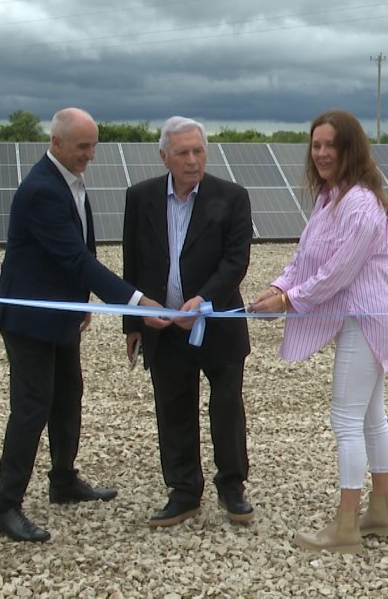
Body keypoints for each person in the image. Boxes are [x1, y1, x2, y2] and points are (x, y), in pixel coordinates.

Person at [0, 107, 169, 543]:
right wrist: (138, 302)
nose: (91, 155)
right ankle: (4, 504)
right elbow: (76, 258)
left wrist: (80, 302)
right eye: (83, 147)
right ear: (57, 143)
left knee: (68, 397)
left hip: (60, 315)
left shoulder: (69, 179)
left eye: (94, 145)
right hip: (29, 320)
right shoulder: (43, 190)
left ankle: (63, 480)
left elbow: (74, 252)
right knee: (33, 406)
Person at [249, 109, 388, 554]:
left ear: (348, 148)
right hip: (361, 318)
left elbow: (337, 273)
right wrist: (278, 286)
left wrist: (287, 302)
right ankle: (382, 512)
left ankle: (346, 526)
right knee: (372, 417)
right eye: (315, 145)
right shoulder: (330, 197)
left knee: (346, 420)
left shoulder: (361, 204)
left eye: (329, 145)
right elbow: (304, 259)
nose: (320, 153)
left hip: (363, 320)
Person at [122, 116, 254, 527]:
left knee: (227, 406)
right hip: (162, 326)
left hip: (217, 322)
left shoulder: (231, 197)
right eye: (183, 152)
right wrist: (133, 322)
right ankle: (183, 491)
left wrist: (204, 299)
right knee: (173, 408)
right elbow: (132, 261)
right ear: (164, 156)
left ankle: (232, 487)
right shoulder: (139, 198)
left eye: (198, 151)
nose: (193, 160)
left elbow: (236, 260)